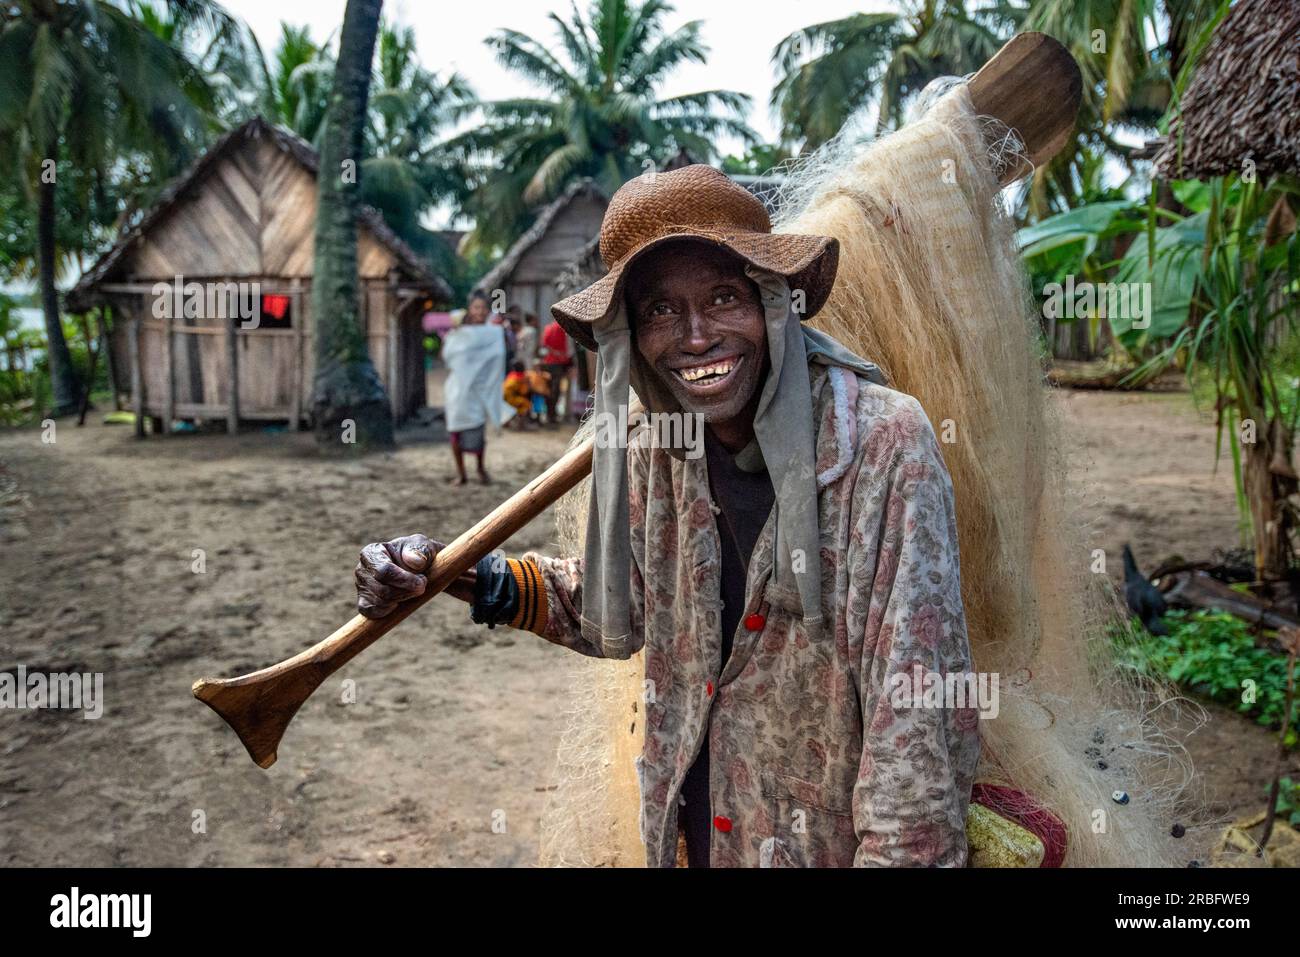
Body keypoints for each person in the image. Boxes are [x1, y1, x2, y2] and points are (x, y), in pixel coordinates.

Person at [354, 166, 978, 867]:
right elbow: (616, 605)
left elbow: (916, 745)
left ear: (772, 302)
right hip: (692, 840)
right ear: (631, 335)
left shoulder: (883, 444)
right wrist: (454, 572)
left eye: (724, 296)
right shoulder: (658, 446)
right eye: (660, 310)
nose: (697, 335)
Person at [441, 291, 511, 485]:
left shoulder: (493, 333)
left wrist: (502, 330)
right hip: (458, 390)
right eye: (476, 307)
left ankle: (480, 469)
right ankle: (461, 472)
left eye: (483, 308)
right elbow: (447, 356)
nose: (479, 311)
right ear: (470, 310)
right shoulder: (459, 333)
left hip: (480, 390)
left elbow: (500, 355)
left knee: (478, 433)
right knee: (455, 432)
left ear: (487, 310)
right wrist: (453, 336)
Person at [538, 317, 573, 424]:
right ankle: (551, 415)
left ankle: (548, 414)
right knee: (555, 390)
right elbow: (568, 347)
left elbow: (543, 344)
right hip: (558, 363)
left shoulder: (547, 327)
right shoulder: (563, 328)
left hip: (547, 362)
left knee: (547, 389)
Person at [503, 361, 533, 429]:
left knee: (518, 404)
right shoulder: (521, 377)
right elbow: (524, 391)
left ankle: (506, 422)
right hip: (510, 399)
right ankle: (521, 424)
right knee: (526, 404)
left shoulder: (511, 374)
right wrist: (528, 384)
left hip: (503, 398)